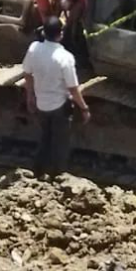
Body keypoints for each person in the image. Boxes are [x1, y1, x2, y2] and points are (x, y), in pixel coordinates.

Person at [22, 15, 91, 178]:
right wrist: (84, 108)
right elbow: (73, 89)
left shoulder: (33, 49)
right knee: (60, 144)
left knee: (45, 138)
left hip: (41, 105)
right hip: (59, 107)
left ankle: (38, 172)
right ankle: (58, 176)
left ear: (44, 33)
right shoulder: (65, 58)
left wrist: (30, 96)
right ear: (60, 34)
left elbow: (27, 74)